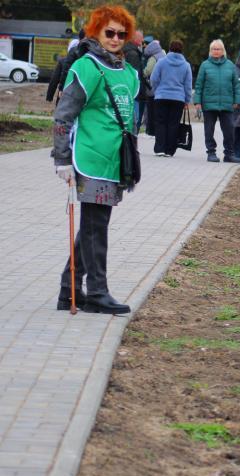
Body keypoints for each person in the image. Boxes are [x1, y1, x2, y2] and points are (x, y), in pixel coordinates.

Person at [51, 4, 140, 314]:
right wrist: (62, 160)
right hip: (89, 158)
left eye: (121, 33)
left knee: (92, 226)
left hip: (115, 161)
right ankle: (98, 293)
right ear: (96, 32)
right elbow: (63, 116)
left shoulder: (128, 72)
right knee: (96, 228)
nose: (116, 38)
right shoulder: (86, 68)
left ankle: (69, 290)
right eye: (109, 32)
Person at [194, 38, 240, 163]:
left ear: (223, 51)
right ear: (210, 51)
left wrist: (237, 100)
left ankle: (229, 154)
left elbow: (236, 85)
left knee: (230, 130)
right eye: (214, 49)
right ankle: (211, 153)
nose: (216, 51)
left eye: (218, 49)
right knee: (209, 130)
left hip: (227, 105)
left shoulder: (230, 65)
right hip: (209, 105)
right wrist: (197, 102)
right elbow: (199, 85)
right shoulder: (205, 65)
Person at [150, 39, 192, 157]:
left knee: (160, 123)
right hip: (178, 98)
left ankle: (159, 149)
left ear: (169, 48)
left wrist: (157, 90)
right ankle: (169, 150)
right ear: (182, 50)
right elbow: (188, 85)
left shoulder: (161, 62)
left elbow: (153, 78)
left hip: (161, 96)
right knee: (173, 124)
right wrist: (187, 100)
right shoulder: (186, 65)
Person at [141, 38, 165, 135]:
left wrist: (140, 73)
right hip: (163, 89)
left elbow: (147, 71)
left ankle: (151, 131)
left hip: (153, 89)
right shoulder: (164, 55)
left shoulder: (153, 58)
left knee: (152, 111)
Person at [123, 29, 144, 133]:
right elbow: (135, 74)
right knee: (134, 121)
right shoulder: (133, 54)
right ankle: (132, 145)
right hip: (133, 93)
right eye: (141, 38)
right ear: (135, 39)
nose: (142, 40)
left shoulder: (128, 51)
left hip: (128, 91)